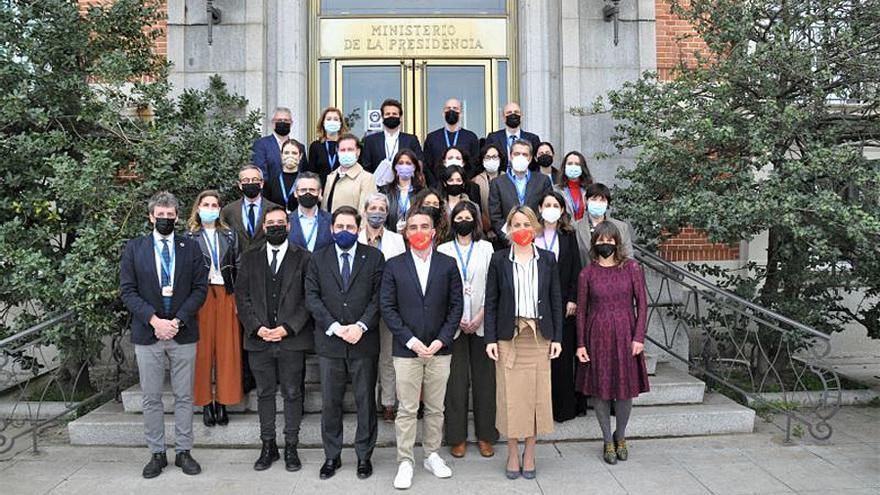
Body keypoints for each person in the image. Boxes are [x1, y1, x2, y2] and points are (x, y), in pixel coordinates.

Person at [119, 191, 208, 479]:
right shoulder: (135, 248)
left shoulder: (190, 248)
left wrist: (178, 320)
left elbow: (199, 289)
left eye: (170, 216)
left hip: (183, 333)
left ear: (177, 217)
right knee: (151, 397)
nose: (166, 220)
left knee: (184, 396)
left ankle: (184, 451)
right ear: (151, 217)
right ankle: (157, 453)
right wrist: (155, 320)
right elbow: (128, 291)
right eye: (161, 216)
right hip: (148, 333)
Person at [380, 207, 463, 490]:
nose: (418, 232)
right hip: (407, 350)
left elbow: (456, 307)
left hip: (440, 349)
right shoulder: (393, 265)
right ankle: (405, 461)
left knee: (436, 408)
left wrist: (441, 340)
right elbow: (388, 308)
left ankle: (431, 455)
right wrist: (411, 341)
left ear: (433, 230)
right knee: (406, 408)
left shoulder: (448, 264)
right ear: (406, 232)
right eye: (412, 227)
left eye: (424, 226)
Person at [305, 205, 385, 480]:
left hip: (364, 341)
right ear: (331, 229)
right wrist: (336, 327)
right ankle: (332, 456)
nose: (344, 231)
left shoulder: (374, 257)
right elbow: (312, 297)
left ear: (358, 229)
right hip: (330, 343)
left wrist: (361, 325)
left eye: (350, 227)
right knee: (330, 402)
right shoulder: (318, 258)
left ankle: (364, 456)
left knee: (365, 402)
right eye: (339, 227)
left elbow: (379, 297)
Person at [484, 206, 562, 480]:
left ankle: (530, 454)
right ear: (509, 228)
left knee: (537, 398)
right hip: (510, 337)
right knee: (511, 398)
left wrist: (558, 338)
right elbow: (490, 302)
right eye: (516, 224)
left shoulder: (548, 260)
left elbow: (555, 300)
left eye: (526, 224)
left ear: (535, 227)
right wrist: (490, 339)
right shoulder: (499, 260)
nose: (521, 229)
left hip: (539, 337)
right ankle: (512, 453)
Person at [235, 206, 312, 472]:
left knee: (292, 393)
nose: (276, 226)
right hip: (258, 340)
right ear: (264, 228)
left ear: (289, 226)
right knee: (265, 393)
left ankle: (292, 446)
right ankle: (268, 445)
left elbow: (308, 299)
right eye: (271, 223)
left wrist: (288, 328)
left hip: (292, 340)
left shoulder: (304, 257)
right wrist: (256, 328)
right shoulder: (249, 257)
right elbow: (241, 298)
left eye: (281, 222)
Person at [575, 221, 649, 465]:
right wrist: (580, 344)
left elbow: (643, 305)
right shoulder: (587, 273)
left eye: (609, 240)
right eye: (600, 240)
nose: (605, 244)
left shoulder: (632, 268)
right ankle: (607, 439)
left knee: (625, 391)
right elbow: (582, 311)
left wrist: (639, 337)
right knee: (601, 392)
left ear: (617, 241)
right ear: (594, 243)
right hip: (597, 336)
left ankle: (621, 435)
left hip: (626, 334)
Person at [436, 200, 497, 459]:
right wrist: (457, 317)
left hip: (483, 322)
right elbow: (440, 291)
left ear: (476, 221)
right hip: (454, 325)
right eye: (458, 218)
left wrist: (481, 314)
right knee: (456, 384)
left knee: (485, 383)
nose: (463, 222)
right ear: (453, 222)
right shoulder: (443, 249)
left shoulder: (487, 248)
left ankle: (486, 436)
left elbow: (493, 286)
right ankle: (456, 437)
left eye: (467, 217)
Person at [184, 190, 243, 428]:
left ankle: (224, 401)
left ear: (220, 209)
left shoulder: (229, 235)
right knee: (203, 350)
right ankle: (206, 402)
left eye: (214, 204)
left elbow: (239, 264)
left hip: (226, 293)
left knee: (228, 349)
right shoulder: (188, 236)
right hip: (201, 296)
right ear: (198, 208)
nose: (210, 207)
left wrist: (239, 296)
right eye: (206, 204)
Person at [357, 193, 407, 422]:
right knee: (365, 357)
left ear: (387, 214)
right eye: (373, 208)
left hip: (389, 305)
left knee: (388, 356)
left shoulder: (397, 240)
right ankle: (365, 401)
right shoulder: (354, 237)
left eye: (381, 209)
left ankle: (388, 402)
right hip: (362, 307)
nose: (376, 212)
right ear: (365, 211)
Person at [535, 191, 583, 422]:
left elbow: (576, 268)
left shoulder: (568, 235)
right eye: (547, 204)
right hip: (535, 303)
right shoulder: (532, 234)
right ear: (539, 208)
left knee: (562, 360)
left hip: (564, 304)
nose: (551, 208)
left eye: (556, 205)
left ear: (562, 210)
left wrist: (573, 298)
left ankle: (562, 409)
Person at [487, 139, 552, 240]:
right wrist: (509, 237)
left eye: (525, 154)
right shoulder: (497, 183)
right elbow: (495, 216)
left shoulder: (543, 181)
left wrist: (536, 235)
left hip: (537, 239)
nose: (520, 157)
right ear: (511, 156)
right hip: (508, 241)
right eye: (517, 154)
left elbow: (546, 209)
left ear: (530, 158)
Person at [361, 98, 424, 184]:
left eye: (394, 114)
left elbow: (419, 161)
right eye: (387, 114)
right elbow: (366, 166)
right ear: (382, 117)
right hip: (378, 187)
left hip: (405, 185)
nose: (391, 116)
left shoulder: (411, 139)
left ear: (400, 117)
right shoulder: (371, 140)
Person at [221, 165, 281, 254]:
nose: (250, 183)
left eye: (255, 179)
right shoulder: (228, 211)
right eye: (246, 180)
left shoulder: (274, 209)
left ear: (261, 183)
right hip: (239, 263)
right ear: (240, 185)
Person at [572, 182, 634, 266]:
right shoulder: (575, 227)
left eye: (602, 200)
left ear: (607, 203)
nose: (598, 203)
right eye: (594, 199)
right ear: (586, 201)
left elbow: (628, 257)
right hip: (584, 276)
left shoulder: (621, 227)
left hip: (615, 276)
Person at [422, 97, 480, 177]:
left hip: (463, 186)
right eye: (448, 108)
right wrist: (435, 185)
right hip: (438, 186)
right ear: (443, 113)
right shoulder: (432, 138)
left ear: (461, 114)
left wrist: (465, 182)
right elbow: (427, 165)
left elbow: (475, 164)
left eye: (455, 108)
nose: (451, 110)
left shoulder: (471, 137)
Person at [322, 133, 377, 213]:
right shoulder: (331, 177)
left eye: (350, 149)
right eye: (343, 150)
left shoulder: (367, 178)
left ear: (358, 152)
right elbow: (324, 209)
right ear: (337, 151)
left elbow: (365, 213)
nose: (346, 153)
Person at [378, 149, 425, 233]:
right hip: (391, 239)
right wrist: (392, 234)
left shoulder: (422, 193)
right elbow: (380, 218)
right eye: (400, 163)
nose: (404, 166)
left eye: (408, 163)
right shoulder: (385, 191)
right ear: (395, 167)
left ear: (414, 167)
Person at [470, 143, 506, 248]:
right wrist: (488, 229)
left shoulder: (508, 178)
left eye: (495, 157)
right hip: (484, 232)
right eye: (488, 157)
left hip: (505, 230)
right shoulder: (476, 180)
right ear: (482, 160)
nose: (491, 160)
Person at [287, 171, 333, 253]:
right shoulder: (286, 221)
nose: (307, 193)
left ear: (319, 193)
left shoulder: (331, 220)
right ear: (295, 193)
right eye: (303, 190)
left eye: (312, 190)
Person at [307, 106, 349, 185]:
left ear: (341, 123)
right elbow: (312, 173)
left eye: (336, 119)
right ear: (323, 122)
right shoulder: (315, 146)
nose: (332, 122)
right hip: (322, 192)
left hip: (344, 190)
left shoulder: (347, 145)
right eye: (329, 119)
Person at [252, 107, 295, 180]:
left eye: (286, 120)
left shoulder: (299, 147)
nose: (283, 122)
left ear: (291, 123)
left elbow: (303, 172)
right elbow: (260, 173)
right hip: (270, 190)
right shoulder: (261, 145)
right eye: (279, 120)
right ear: (272, 123)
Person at [263, 139, 305, 212]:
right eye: (286, 153)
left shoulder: (306, 181)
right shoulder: (271, 182)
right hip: (277, 221)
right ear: (281, 156)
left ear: (300, 156)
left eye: (294, 153)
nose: (290, 156)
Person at [554, 151, 593, 222]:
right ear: (564, 167)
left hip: (585, 230)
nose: (573, 166)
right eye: (570, 163)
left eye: (577, 164)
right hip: (565, 229)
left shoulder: (590, 189)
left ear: (582, 167)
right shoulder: (556, 190)